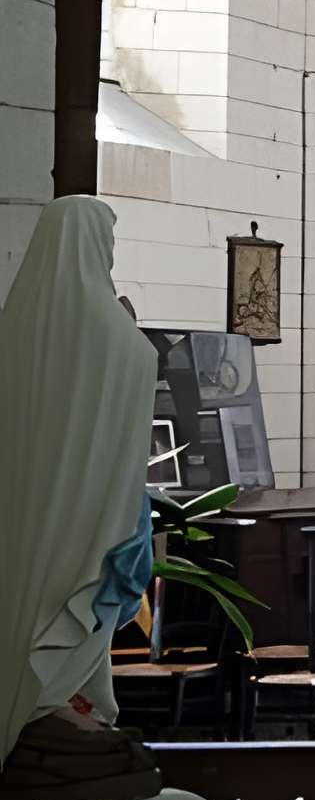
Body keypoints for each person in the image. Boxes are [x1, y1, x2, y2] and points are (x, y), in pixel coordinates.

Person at [0, 197, 163, 761]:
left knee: (25, 603)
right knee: (79, 601)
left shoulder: (15, 323)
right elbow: (140, 366)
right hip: (91, 507)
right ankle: (59, 711)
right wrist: (129, 327)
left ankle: (31, 710)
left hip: (24, 509)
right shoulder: (110, 329)